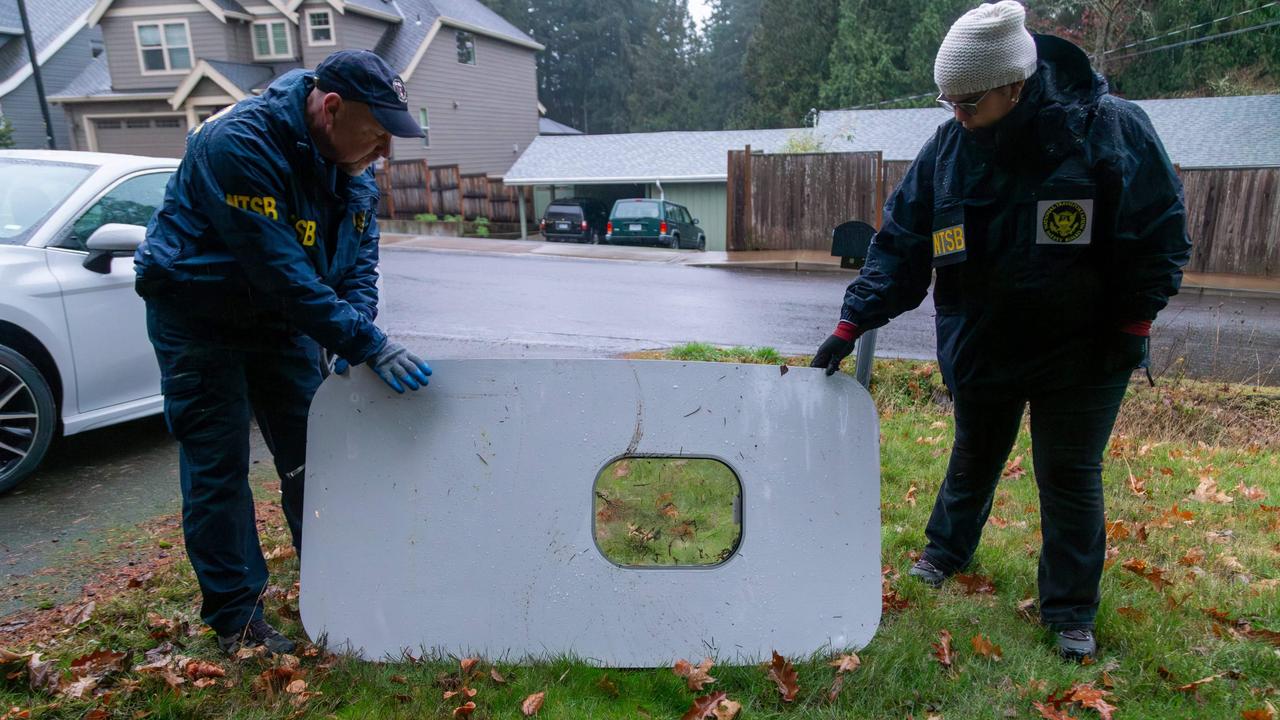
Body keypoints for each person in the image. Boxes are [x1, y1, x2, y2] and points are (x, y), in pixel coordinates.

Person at [810, 0, 1190, 661]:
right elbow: (902, 242)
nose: (955, 115)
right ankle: (944, 552)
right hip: (984, 341)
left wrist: (1134, 320)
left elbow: (1158, 236)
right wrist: (853, 321)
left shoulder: (1107, 130)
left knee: (1069, 474)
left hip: (1085, 349)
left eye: (970, 101)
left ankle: (1070, 612)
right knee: (974, 455)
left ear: (1014, 85)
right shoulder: (949, 150)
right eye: (947, 101)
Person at [135, 50, 433, 655]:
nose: (385, 153)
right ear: (330, 109)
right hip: (199, 315)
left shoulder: (353, 169)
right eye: (377, 134)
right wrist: (366, 342)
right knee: (219, 467)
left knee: (315, 458)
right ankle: (237, 619)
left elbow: (358, 265)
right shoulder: (237, 143)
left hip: (280, 321)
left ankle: (334, 585)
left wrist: (356, 332)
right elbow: (280, 270)